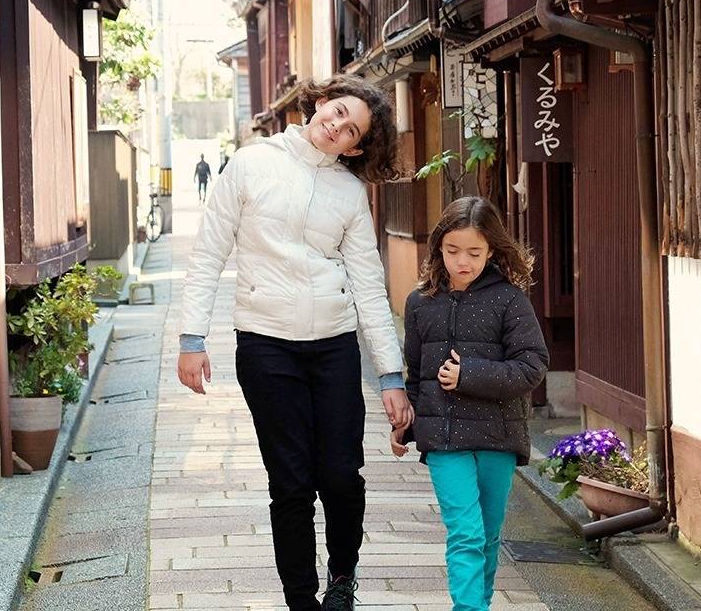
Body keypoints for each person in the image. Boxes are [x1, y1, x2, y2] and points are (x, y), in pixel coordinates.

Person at [177, 75, 414, 611]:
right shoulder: (251, 163)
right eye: (337, 112)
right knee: (290, 483)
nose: (336, 126)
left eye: (350, 129)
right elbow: (208, 254)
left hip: (333, 346)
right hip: (266, 344)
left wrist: (390, 376)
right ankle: (301, 601)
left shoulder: (350, 193)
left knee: (342, 478)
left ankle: (341, 580)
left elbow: (370, 287)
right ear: (321, 103)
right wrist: (193, 338)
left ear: (356, 147)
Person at [391, 196, 549, 611]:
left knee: (489, 534)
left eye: (475, 252)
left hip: (498, 435)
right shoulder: (420, 303)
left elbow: (533, 365)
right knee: (465, 531)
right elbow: (417, 373)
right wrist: (406, 424)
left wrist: (470, 374)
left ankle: (480, 603)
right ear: (439, 247)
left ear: (492, 251)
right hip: (444, 439)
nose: (463, 261)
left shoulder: (511, 300)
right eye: (453, 250)